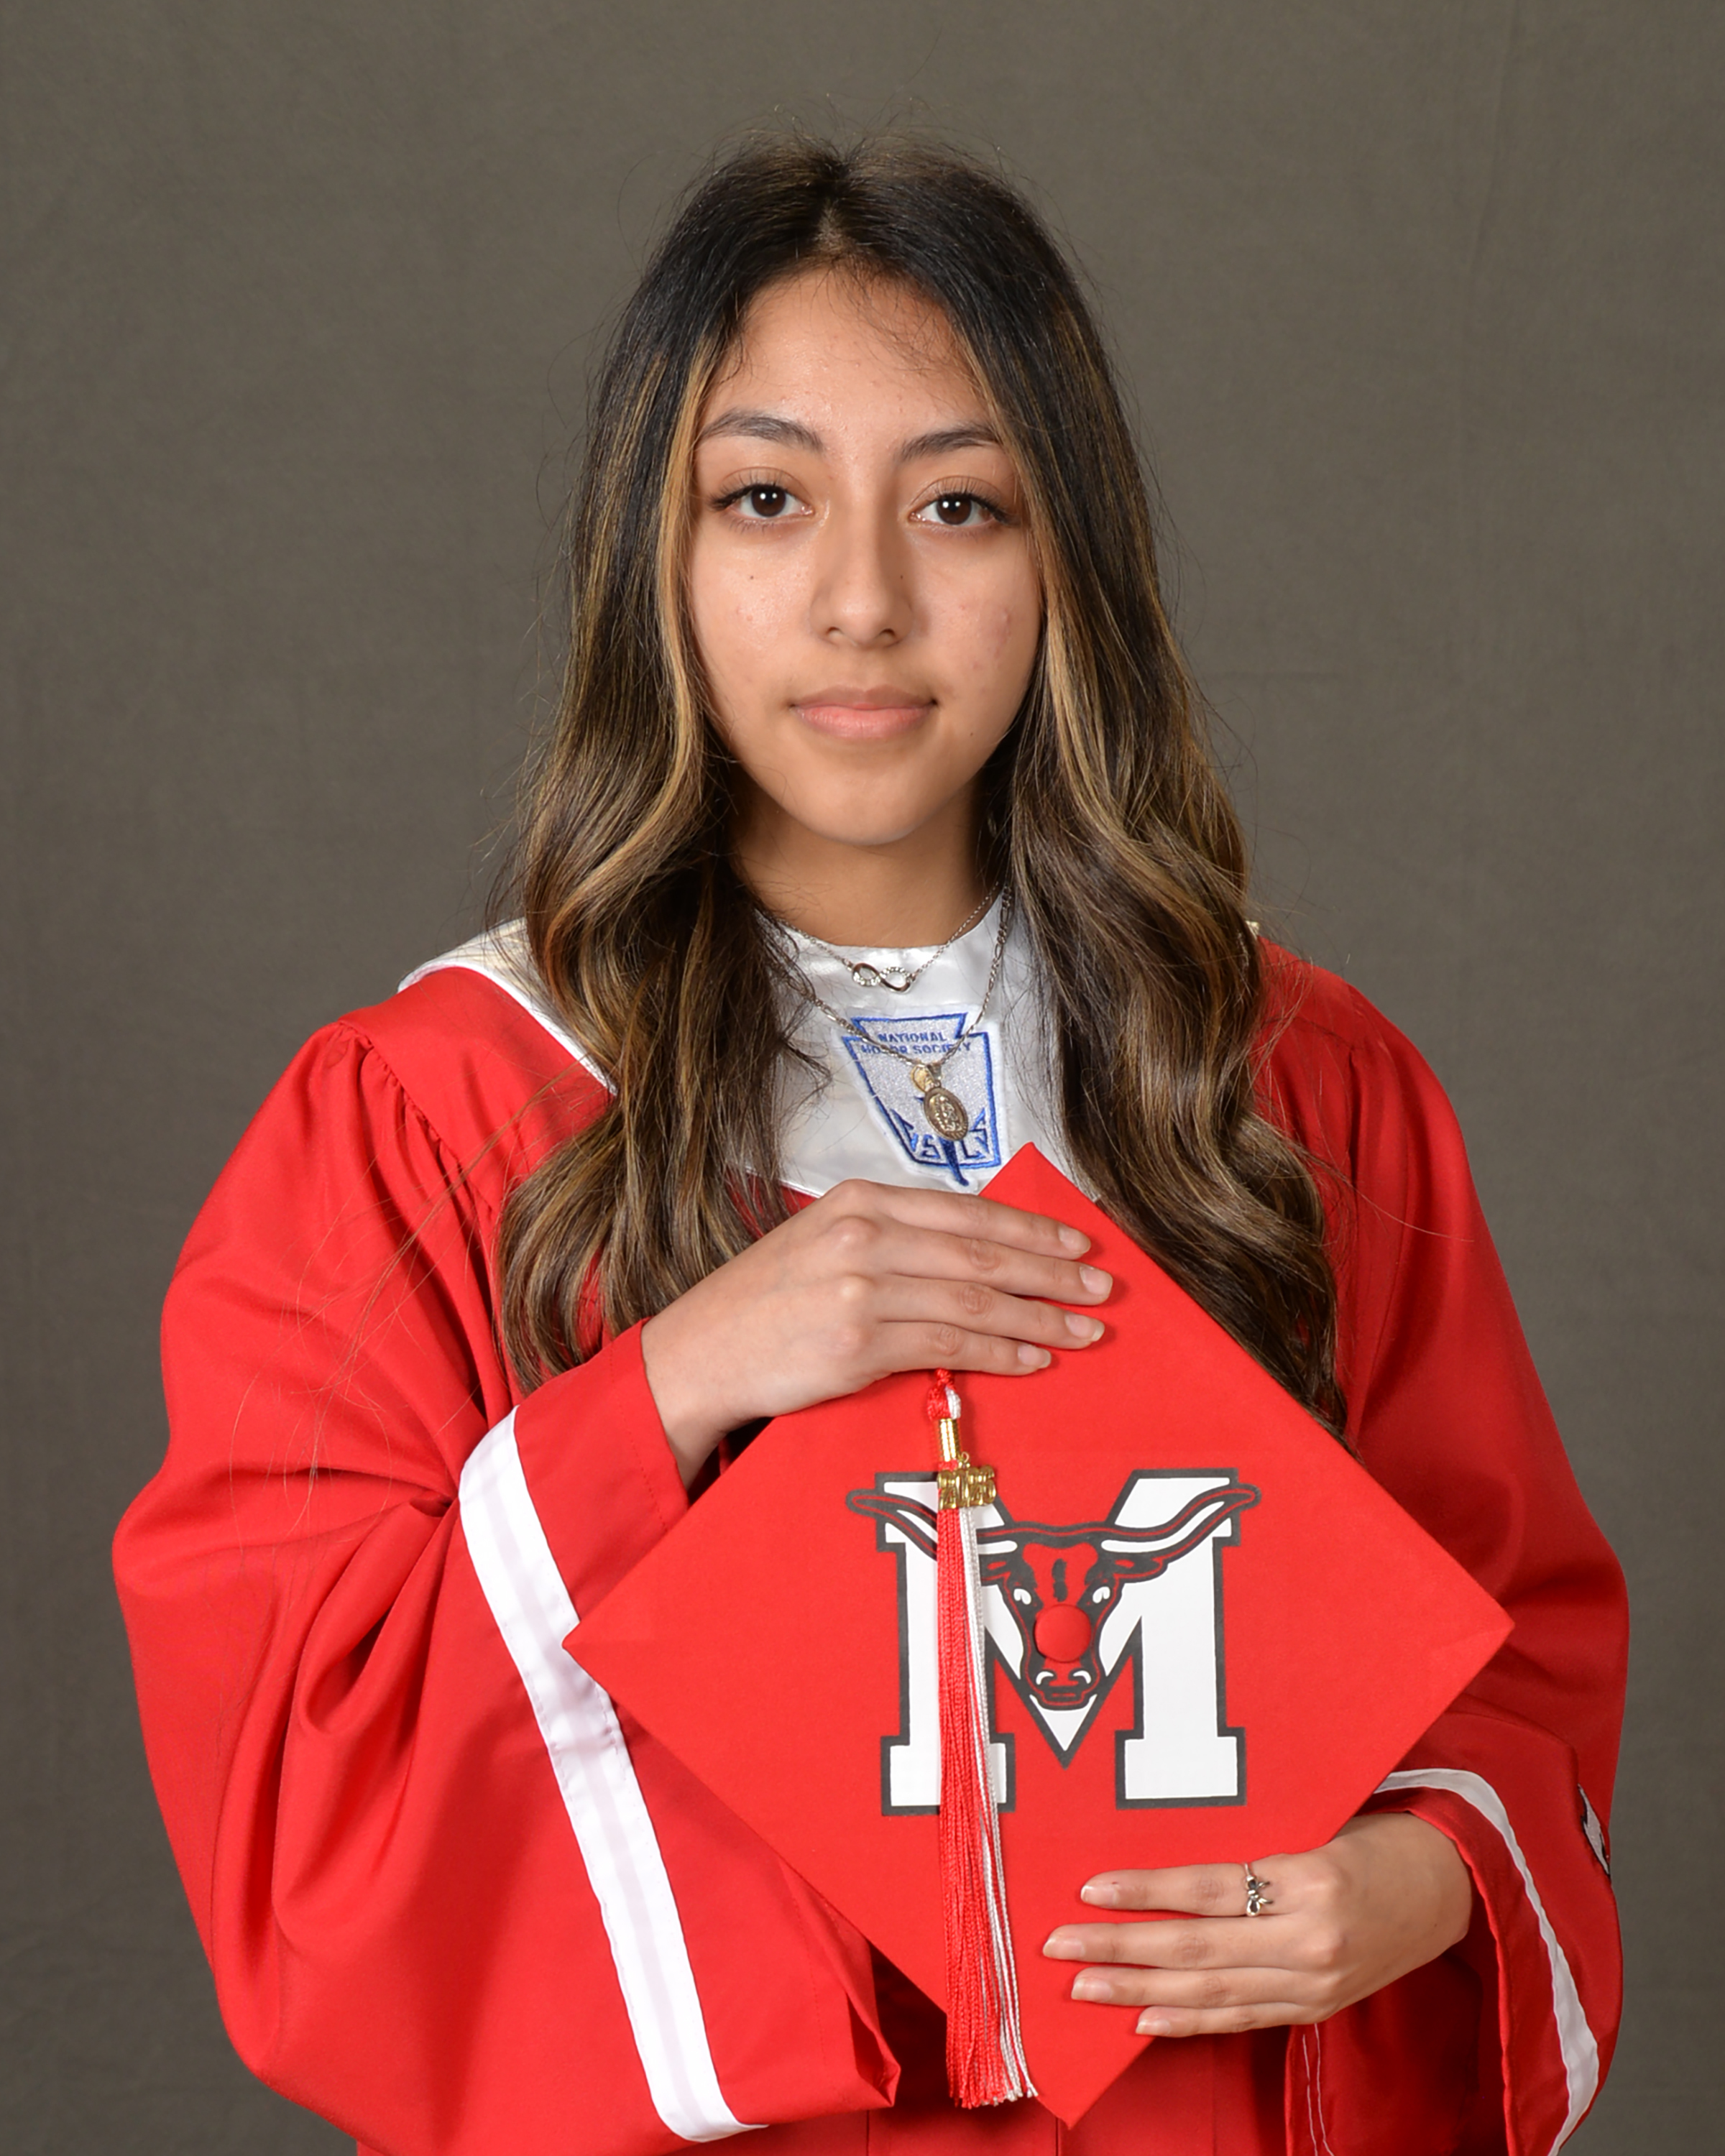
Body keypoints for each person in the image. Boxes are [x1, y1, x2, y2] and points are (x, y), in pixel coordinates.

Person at [114, 139, 1625, 2156]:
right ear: (654, 556)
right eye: (765, 498)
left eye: (959, 504)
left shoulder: (1286, 1089)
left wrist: (1412, 1885)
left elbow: (1512, 1658)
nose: (862, 602)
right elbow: (306, 1780)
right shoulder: (438, 1117)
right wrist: (674, 1384)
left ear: (1066, 557)